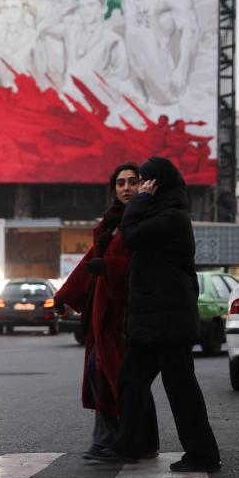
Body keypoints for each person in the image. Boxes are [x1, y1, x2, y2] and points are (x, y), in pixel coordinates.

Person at [88, 156, 221, 473]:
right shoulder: (163, 213)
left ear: (157, 184)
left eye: (145, 181)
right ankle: (130, 444)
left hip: (168, 322)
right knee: (131, 380)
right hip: (155, 322)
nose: (138, 187)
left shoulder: (171, 217)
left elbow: (131, 235)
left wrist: (140, 201)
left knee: (180, 390)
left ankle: (201, 453)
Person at [55, 164, 158, 461]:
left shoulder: (146, 220)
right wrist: (64, 295)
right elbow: (91, 262)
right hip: (105, 313)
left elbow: (144, 264)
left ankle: (122, 440)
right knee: (106, 373)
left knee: (118, 376)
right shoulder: (109, 224)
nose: (126, 188)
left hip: (129, 311)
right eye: (120, 183)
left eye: (133, 182)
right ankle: (112, 439)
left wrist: (110, 269)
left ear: (145, 185)